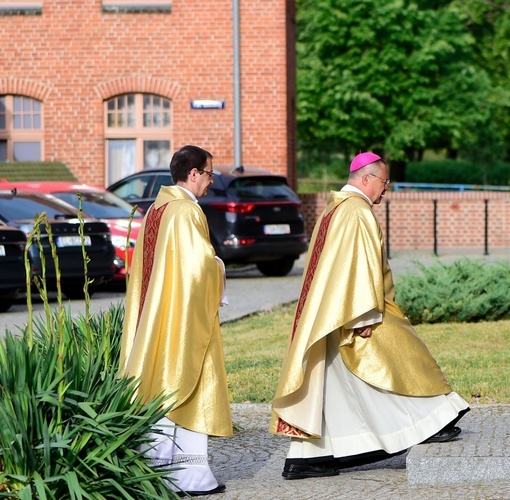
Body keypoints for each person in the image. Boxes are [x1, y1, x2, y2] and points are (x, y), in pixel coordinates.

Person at [270, 151, 470, 480]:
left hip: (328, 316)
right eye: (383, 181)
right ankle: (431, 420)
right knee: (401, 357)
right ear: (366, 179)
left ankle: (309, 456)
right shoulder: (358, 212)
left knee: (336, 387)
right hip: (356, 311)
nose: (386, 188)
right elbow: (360, 266)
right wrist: (362, 317)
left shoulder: (332, 211)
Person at [119, 145, 232, 496]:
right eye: (209, 173)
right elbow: (199, 269)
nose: (212, 181)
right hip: (180, 321)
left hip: (153, 319)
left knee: (158, 384)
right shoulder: (186, 211)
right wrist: (221, 268)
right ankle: (190, 478)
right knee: (186, 382)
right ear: (193, 173)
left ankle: (155, 473)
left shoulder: (157, 209)